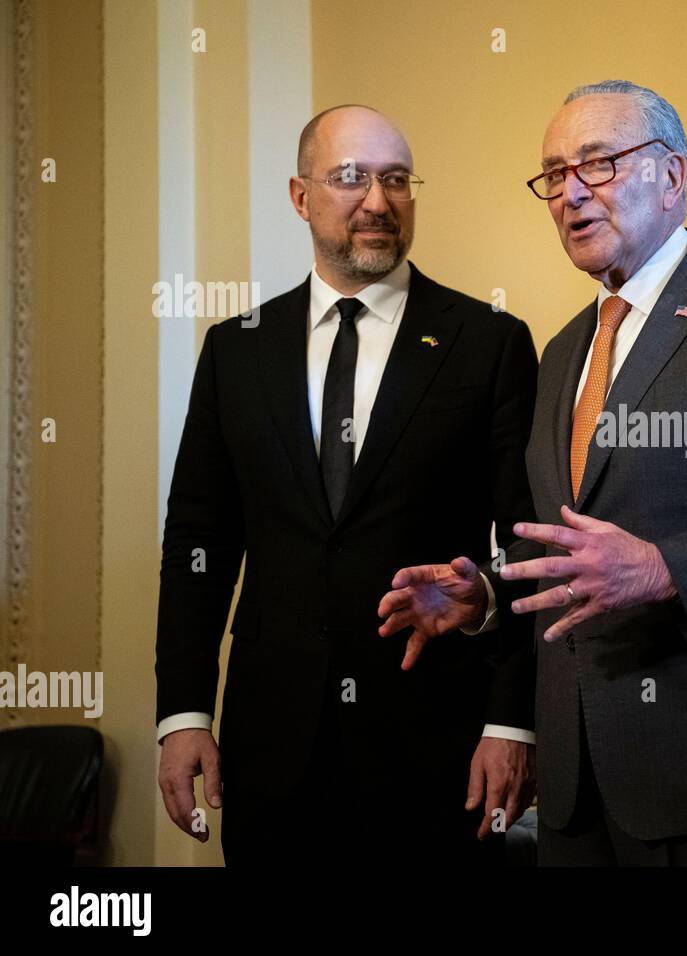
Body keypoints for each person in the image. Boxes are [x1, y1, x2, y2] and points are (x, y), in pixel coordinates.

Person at [381, 80, 687, 865]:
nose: (570, 193)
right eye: (554, 175)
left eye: (600, 163)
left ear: (673, 175)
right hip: (580, 789)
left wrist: (662, 568)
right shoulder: (561, 352)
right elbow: (576, 548)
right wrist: (485, 591)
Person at [155, 105, 537, 866]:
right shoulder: (236, 351)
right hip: (273, 750)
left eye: (396, 180)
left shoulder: (488, 341)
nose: (378, 200)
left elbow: (527, 542)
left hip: (437, 745)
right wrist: (184, 713)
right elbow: (199, 541)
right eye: (351, 178)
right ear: (301, 197)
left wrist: (510, 722)